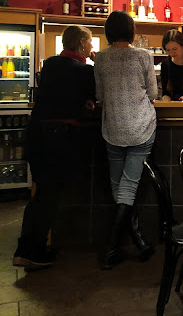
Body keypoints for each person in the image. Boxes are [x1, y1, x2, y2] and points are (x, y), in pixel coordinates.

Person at [13, 25, 96, 270]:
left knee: (41, 194)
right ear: (82, 43)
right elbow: (91, 97)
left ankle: (25, 249)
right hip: (58, 137)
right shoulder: (84, 71)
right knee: (49, 196)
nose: (92, 46)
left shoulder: (50, 64)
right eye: (90, 42)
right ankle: (31, 252)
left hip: (36, 133)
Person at [94, 11, 157, 270]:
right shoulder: (143, 56)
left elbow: (99, 95)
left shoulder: (100, 58)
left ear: (108, 31)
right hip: (141, 127)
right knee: (128, 187)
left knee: (117, 186)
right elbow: (153, 93)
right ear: (131, 31)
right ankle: (116, 247)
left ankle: (129, 244)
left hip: (114, 128)